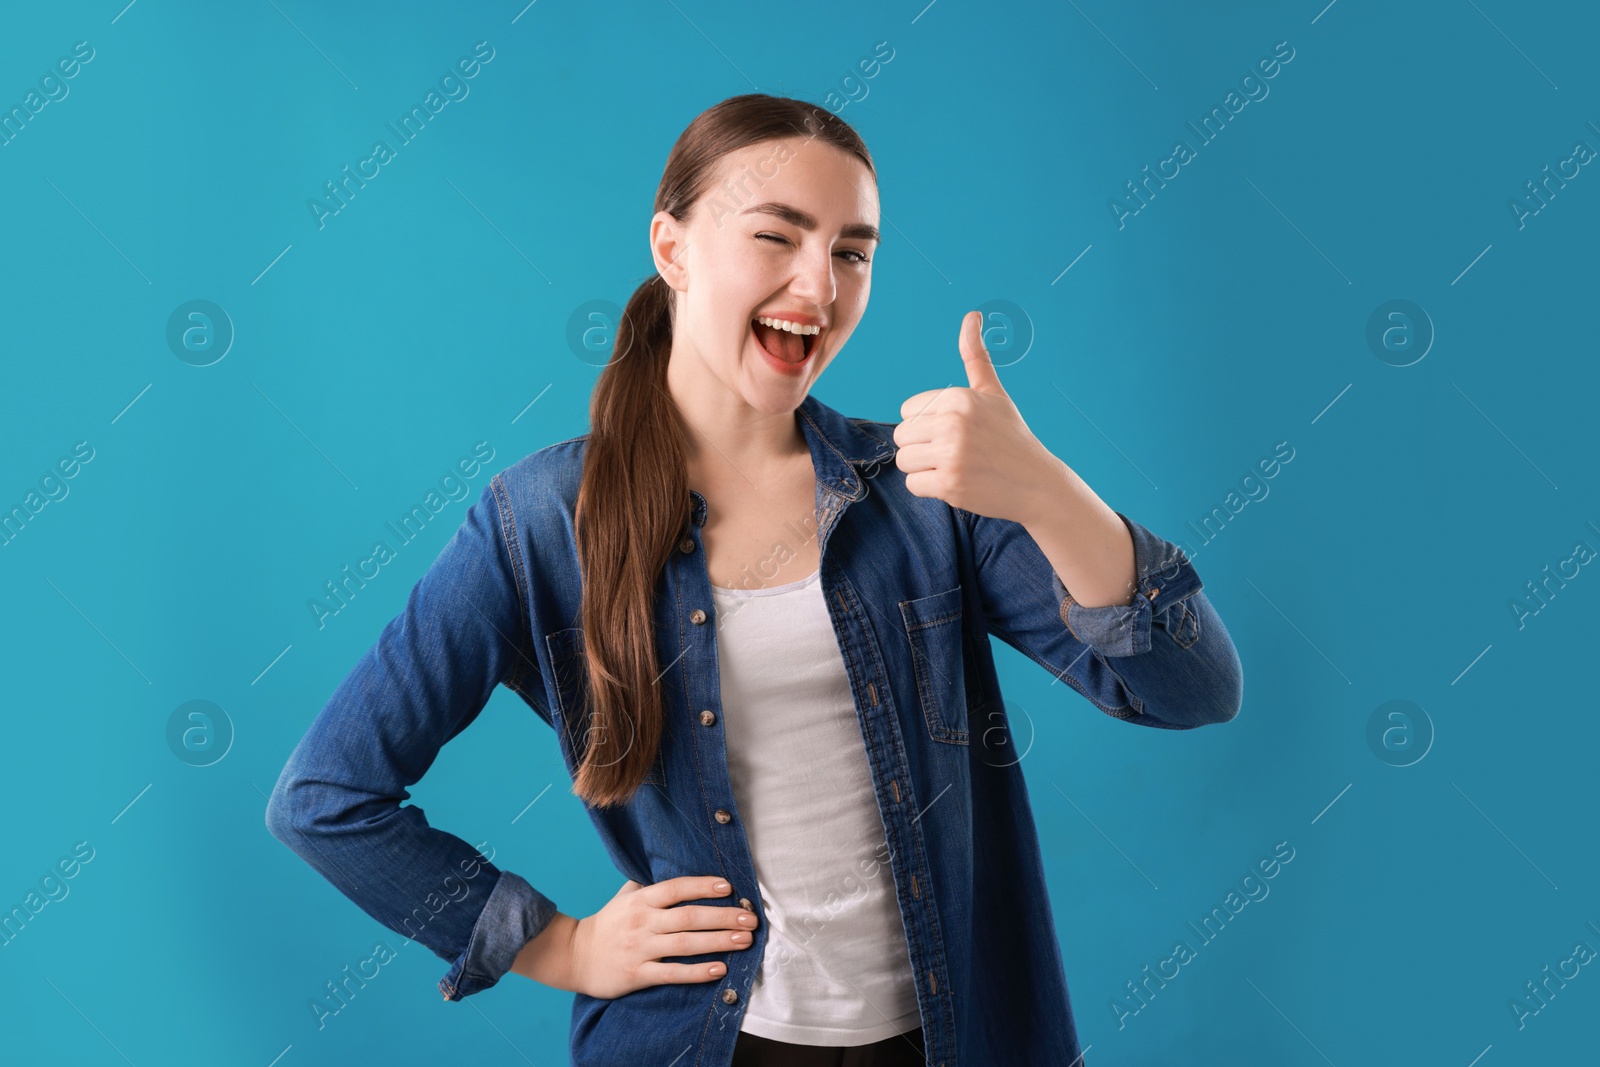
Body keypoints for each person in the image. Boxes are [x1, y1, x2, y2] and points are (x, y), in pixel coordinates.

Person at [266, 93, 1244, 1066]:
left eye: (851, 252)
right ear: (672, 247)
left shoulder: (922, 496)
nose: (818, 285)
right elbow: (326, 794)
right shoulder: (539, 520)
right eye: (777, 235)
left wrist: (1047, 492)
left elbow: (1193, 687)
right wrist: (559, 943)